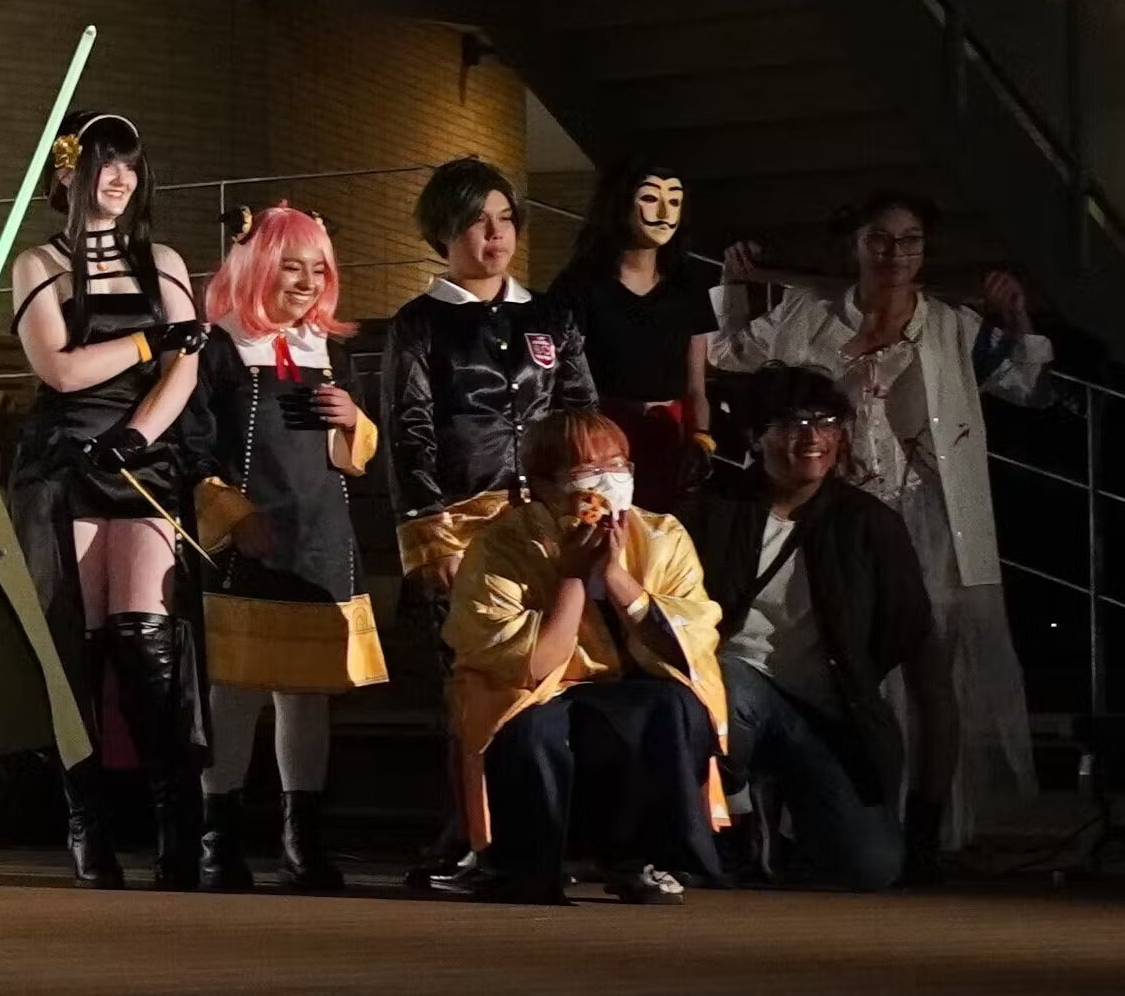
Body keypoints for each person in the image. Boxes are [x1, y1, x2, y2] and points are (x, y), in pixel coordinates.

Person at [716, 190, 1050, 830]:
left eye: (910, 241)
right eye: (880, 239)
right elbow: (731, 353)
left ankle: (921, 820)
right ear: (856, 244)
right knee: (830, 653)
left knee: (930, 665)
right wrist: (734, 285)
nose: (895, 254)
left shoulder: (949, 324)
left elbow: (1027, 386)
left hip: (928, 517)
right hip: (835, 513)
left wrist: (1017, 320)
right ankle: (832, 811)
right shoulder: (810, 313)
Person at [1, 110, 212, 887]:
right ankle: (87, 825)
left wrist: (139, 433)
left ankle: (179, 829)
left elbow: (189, 366)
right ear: (67, 172)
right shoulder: (38, 262)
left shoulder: (163, 260)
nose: (120, 177)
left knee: (148, 643)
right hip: (66, 459)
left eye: (129, 163)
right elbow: (59, 370)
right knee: (79, 648)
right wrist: (148, 342)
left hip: (141, 457)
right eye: (103, 162)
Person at [373, 157, 594, 888]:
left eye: (504, 219)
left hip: (544, 531)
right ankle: (471, 837)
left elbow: (580, 414)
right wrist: (429, 537)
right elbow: (408, 432)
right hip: (463, 528)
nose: (494, 235)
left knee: (552, 681)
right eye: (476, 222)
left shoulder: (552, 316)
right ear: (443, 232)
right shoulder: (419, 322)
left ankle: (546, 835)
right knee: (470, 687)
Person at [441, 407, 725, 903]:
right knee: (534, 729)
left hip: (626, 683)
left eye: (618, 467)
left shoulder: (661, 536)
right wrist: (573, 576)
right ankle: (528, 866)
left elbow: (686, 646)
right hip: (535, 690)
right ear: (544, 486)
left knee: (673, 707)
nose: (608, 482)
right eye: (588, 471)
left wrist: (617, 578)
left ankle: (641, 860)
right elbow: (530, 665)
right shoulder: (500, 545)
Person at [683, 365, 943, 891]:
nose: (812, 437)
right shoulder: (710, 512)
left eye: (825, 422)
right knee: (724, 686)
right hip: (736, 693)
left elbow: (922, 659)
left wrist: (925, 820)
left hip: (827, 715)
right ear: (755, 436)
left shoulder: (870, 524)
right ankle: (738, 817)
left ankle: (787, 820)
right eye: (790, 423)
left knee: (872, 868)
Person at [188, 201, 378, 893]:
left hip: (317, 537)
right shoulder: (218, 347)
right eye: (292, 266)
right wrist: (232, 515)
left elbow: (357, 458)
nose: (306, 282)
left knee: (307, 696)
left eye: (317, 269)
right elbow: (192, 448)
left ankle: (303, 845)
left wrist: (354, 422)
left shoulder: (330, 350)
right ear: (259, 266)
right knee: (233, 693)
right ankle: (219, 843)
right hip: (245, 541)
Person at [556, 166, 723, 511]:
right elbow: (564, 380)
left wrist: (702, 439)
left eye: (674, 201)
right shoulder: (580, 285)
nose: (664, 212)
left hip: (670, 438)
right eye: (649, 198)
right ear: (620, 204)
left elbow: (696, 385)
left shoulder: (687, 287)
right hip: (602, 441)